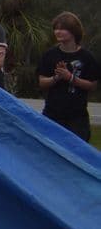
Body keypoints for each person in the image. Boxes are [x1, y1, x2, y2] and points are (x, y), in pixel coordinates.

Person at [37, 12, 98, 141]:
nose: (58, 32)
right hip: (52, 113)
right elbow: (42, 82)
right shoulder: (50, 55)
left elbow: (92, 85)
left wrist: (70, 78)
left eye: (62, 29)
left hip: (77, 117)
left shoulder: (87, 57)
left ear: (73, 31)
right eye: (56, 29)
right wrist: (56, 77)